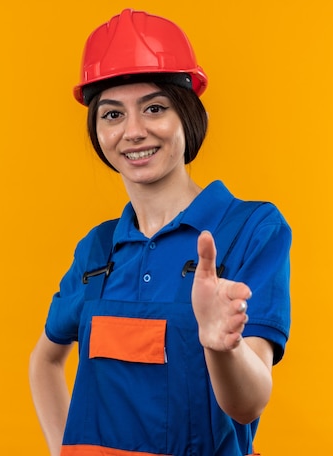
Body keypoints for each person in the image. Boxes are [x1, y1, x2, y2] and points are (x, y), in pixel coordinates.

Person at [29, 8, 291, 456]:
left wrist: (220, 346)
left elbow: (248, 405)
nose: (133, 132)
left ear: (187, 115)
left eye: (154, 108)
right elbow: (44, 361)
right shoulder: (97, 250)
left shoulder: (250, 229)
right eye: (112, 115)